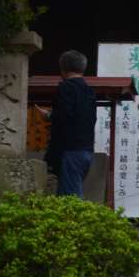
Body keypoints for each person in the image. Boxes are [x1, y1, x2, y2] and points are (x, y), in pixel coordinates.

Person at [46, 49, 97, 196]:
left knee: (70, 197)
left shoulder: (66, 88)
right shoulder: (89, 91)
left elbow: (63, 118)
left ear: (63, 67)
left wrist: (50, 116)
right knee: (71, 191)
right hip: (86, 150)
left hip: (70, 151)